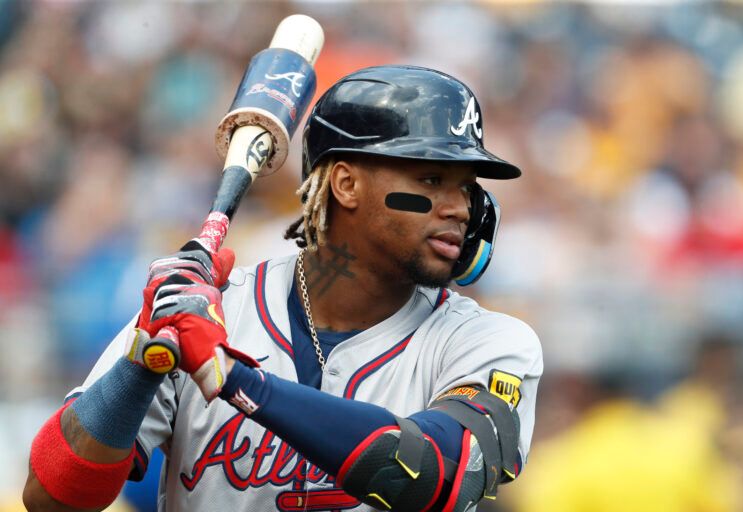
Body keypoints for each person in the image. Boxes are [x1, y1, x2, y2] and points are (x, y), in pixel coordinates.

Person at [23, 65, 543, 512]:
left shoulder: (489, 343)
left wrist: (232, 378)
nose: (460, 208)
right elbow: (54, 497)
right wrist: (145, 352)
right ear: (345, 184)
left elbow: (438, 475)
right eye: (431, 182)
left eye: (467, 187)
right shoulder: (213, 311)